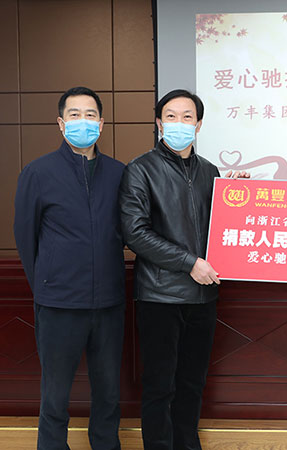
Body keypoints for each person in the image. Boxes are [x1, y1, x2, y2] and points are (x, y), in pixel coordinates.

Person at [119, 89, 248, 450]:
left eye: (187, 117)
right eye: (171, 117)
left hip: (203, 295)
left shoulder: (210, 171)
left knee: (192, 382)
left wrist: (235, 197)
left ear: (199, 124)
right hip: (159, 295)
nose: (179, 123)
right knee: (160, 384)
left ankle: (188, 444)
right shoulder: (140, 169)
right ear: (159, 123)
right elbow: (135, 233)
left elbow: (217, 228)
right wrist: (189, 263)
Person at [14, 87, 126, 450]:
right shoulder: (38, 172)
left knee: (108, 392)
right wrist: (47, 284)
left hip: (109, 302)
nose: (83, 121)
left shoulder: (119, 173)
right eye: (74, 115)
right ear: (61, 124)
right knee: (55, 394)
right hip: (59, 304)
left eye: (90, 115)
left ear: (102, 123)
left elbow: (131, 230)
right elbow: (25, 237)